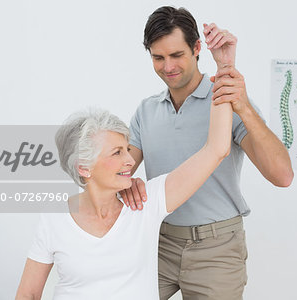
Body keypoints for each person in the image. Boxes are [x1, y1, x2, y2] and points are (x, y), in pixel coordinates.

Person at [120, 6, 294, 300]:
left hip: (217, 249)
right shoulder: (145, 110)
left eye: (177, 55)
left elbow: (282, 175)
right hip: (157, 242)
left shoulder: (227, 100)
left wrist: (244, 107)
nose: (168, 66)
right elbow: (119, 168)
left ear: (197, 48)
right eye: (158, 57)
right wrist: (127, 183)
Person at [15, 84, 232, 298]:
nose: (130, 160)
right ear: (84, 168)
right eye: (117, 153)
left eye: (127, 149)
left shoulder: (147, 202)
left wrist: (224, 67)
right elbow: (28, 294)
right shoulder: (54, 218)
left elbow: (216, 149)